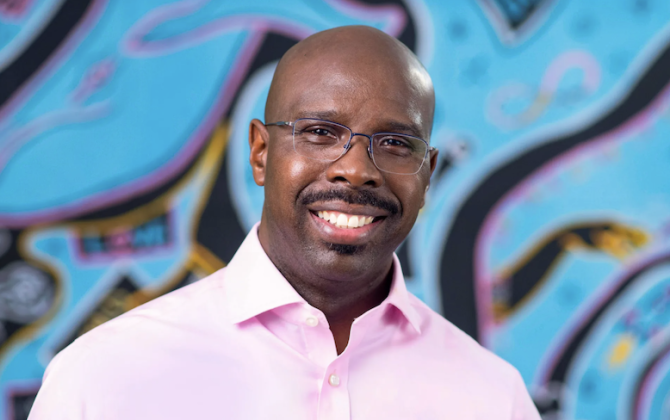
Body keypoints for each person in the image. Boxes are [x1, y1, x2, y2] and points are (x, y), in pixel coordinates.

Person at [28, 25, 541, 419]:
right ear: (260, 152)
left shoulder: (493, 397)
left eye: (394, 143)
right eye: (320, 131)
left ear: (426, 176)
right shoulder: (104, 378)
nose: (357, 170)